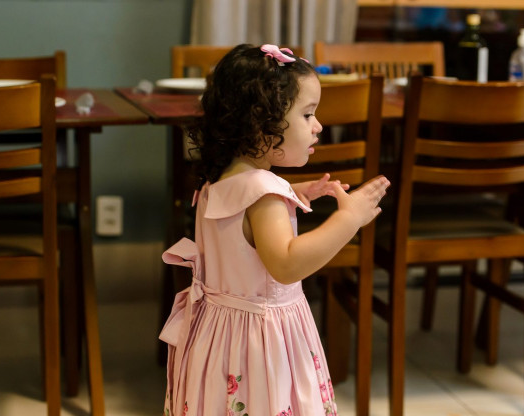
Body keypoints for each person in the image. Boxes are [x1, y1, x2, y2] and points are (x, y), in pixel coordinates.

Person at [159, 43, 390, 416]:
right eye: (307, 114)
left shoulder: (220, 180)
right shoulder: (264, 195)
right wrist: (349, 219)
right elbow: (286, 264)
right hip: (260, 340)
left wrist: (291, 192)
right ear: (261, 123)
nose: (318, 126)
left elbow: (241, 217)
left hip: (217, 335)